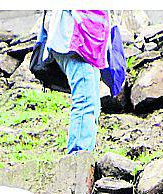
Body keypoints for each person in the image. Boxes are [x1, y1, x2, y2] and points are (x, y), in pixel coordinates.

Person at [42, 10, 111, 153]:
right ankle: (78, 154)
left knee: (92, 104)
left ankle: (84, 153)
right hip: (76, 42)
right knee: (86, 100)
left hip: (82, 45)